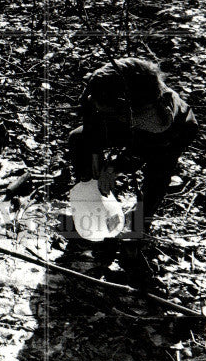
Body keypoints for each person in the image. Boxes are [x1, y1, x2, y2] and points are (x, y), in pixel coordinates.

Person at [67, 58, 198, 283]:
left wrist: (116, 167)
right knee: (79, 139)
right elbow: (89, 108)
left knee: (157, 179)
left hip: (167, 138)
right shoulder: (103, 83)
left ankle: (137, 228)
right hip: (121, 118)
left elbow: (145, 150)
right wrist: (96, 152)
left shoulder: (161, 119)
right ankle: (95, 205)